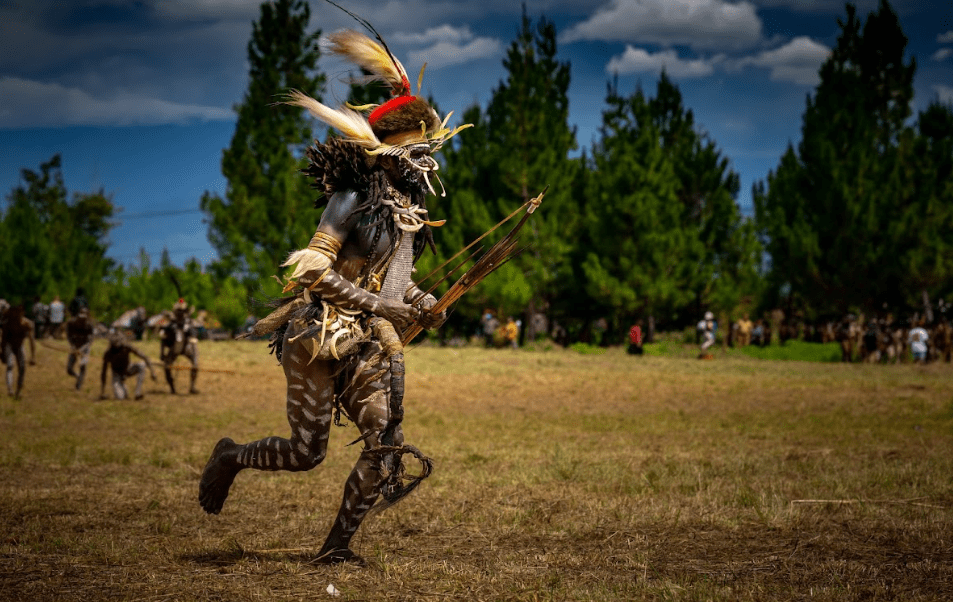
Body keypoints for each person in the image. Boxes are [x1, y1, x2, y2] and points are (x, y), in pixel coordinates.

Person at [199, 25, 466, 564]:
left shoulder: (407, 209)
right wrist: (380, 306)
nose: (424, 159)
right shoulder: (349, 198)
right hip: (315, 334)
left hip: (366, 340)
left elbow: (398, 283)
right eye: (416, 149)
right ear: (389, 150)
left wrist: (422, 306)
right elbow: (311, 270)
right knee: (306, 453)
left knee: (383, 439)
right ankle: (231, 456)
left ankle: (336, 548)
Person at [99, 331, 156, 400]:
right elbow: (103, 372)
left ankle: (137, 393)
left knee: (142, 365)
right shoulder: (108, 353)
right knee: (120, 398)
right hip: (117, 374)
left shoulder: (127, 347)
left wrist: (153, 372)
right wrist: (102, 392)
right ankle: (122, 386)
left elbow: (144, 357)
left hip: (128, 368)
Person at [159, 298, 200, 394]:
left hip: (186, 348)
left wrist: (195, 361)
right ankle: (172, 389)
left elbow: (194, 342)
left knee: (195, 365)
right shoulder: (170, 326)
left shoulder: (189, 325)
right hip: (174, 349)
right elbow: (163, 340)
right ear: (175, 312)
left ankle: (192, 387)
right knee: (166, 367)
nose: (180, 314)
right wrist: (162, 353)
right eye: (178, 311)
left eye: (182, 312)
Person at [1, 301, 36, 398]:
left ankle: (18, 390)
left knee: (22, 367)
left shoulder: (27, 324)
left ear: (22, 312)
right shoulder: (7, 323)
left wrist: (33, 357)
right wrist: (3, 352)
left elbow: (31, 340)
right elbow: (3, 339)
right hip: (9, 344)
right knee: (10, 365)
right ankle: (10, 389)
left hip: (19, 345)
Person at [66, 307, 95, 390]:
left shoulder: (89, 325)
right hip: (74, 346)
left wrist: (82, 349)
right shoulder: (71, 323)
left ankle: (79, 385)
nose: (82, 320)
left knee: (82, 365)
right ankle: (77, 376)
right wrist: (73, 345)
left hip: (84, 348)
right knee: (69, 369)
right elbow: (69, 336)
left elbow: (90, 341)